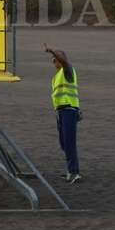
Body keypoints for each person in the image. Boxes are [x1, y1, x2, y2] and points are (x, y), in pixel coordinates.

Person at [45, 43, 82, 184]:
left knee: (69, 142)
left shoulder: (68, 70)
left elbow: (64, 61)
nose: (54, 62)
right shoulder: (57, 76)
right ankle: (70, 170)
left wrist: (52, 51)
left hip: (69, 110)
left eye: (56, 59)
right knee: (64, 143)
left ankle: (74, 172)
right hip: (61, 112)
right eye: (53, 60)